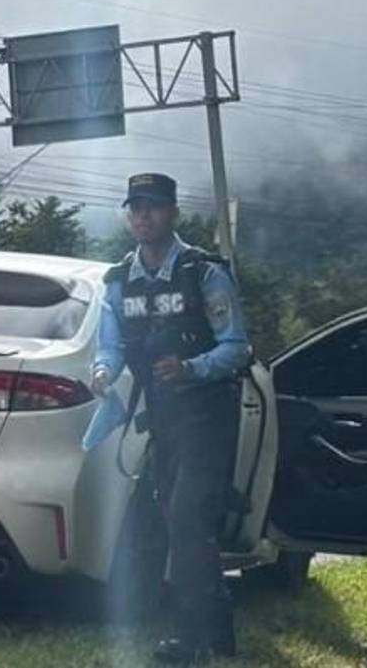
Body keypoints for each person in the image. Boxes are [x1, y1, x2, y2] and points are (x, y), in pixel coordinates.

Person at [88, 173, 251, 664]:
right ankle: (219, 634)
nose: (143, 216)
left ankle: (188, 637)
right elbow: (110, 345)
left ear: (173, 213)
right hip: (162, 417)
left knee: (186, 519)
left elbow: (237, 348)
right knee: (177, 521)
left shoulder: (204, 273)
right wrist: (102, 371)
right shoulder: (119, 282)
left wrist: (191, 368)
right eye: (135, 207)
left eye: (154, 207)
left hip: (206, 413)